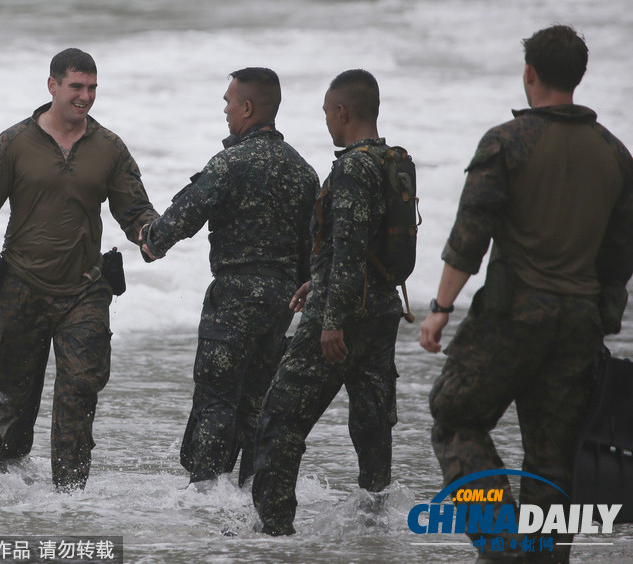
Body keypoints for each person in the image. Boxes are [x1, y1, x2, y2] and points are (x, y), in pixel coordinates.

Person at [419, 25, 633, 562]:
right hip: (579, 322)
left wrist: (440, 310)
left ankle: (503, 546)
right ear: (578, 77)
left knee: (456, 417)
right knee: (553, 455)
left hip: (513, 315)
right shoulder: (615, 154)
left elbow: (470, 236)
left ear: (529, 73)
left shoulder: (506, 141)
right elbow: (621, 254)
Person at [0, 48, 160, 492]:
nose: (86, 97)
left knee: (80, 390)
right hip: (21, 286)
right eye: (77, 87)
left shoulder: (109, 148)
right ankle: (8, 481)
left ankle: (70, 496)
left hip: (85, 289)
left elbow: (135, 210)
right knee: (17, 396)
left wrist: (152, 236)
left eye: (92, 88)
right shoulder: (12, 144)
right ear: (53, 86)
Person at [140, 67, 318, 487]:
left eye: (228, 102)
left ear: (248, 107)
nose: (224, 110)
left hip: (234, 299)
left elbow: (180, 220)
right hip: (281, 303)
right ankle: (253, 492)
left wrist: (151, 241)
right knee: (258, 401)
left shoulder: (229, 163)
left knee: (217, 398)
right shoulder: (304, 172)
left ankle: (204, 491)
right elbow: (313, 250)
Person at [251, 69, 405, 536]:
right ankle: (374, 521)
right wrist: (315, 282)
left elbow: (353, 247)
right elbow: (369, 246)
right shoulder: (394, 161)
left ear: (342, 111)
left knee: (279, 417)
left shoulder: (353, 166)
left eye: (325, 112)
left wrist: (331, 317)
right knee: (373, 422)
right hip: (381, 311)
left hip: (344, 315)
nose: (325, 122)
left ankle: (272, 527)